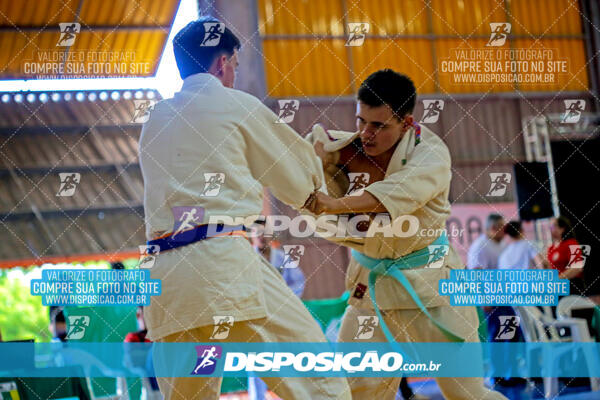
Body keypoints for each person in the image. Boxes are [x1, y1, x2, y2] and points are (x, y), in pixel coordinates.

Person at [138, 16, 350, 400]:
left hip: (166, 282)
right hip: (223, 268)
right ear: (222, 63)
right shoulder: (236, 106)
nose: (234, 72)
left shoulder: (155, 119)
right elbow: (298, 178)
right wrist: (325, 165)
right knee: (322, 383)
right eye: (234, 63)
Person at [305, 69, 506, 400]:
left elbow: (395, 193)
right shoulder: (346, 151)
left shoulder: (431, 153)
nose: (366, 134)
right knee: (356, 395)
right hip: (370, 293)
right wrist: (317, 167)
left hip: (435, 291)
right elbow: (316, 193)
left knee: (469, 395)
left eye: (378, 125)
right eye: (361, 121)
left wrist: (334, 203)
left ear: (407, 122)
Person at [547, 216, 584, 294]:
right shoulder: (551, 248)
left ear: (562, 229)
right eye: (550, 227)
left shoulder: (572, 243)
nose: (551, 229)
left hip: (571, 286)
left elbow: (577, 268)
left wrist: (558, 279)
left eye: (553, 226)